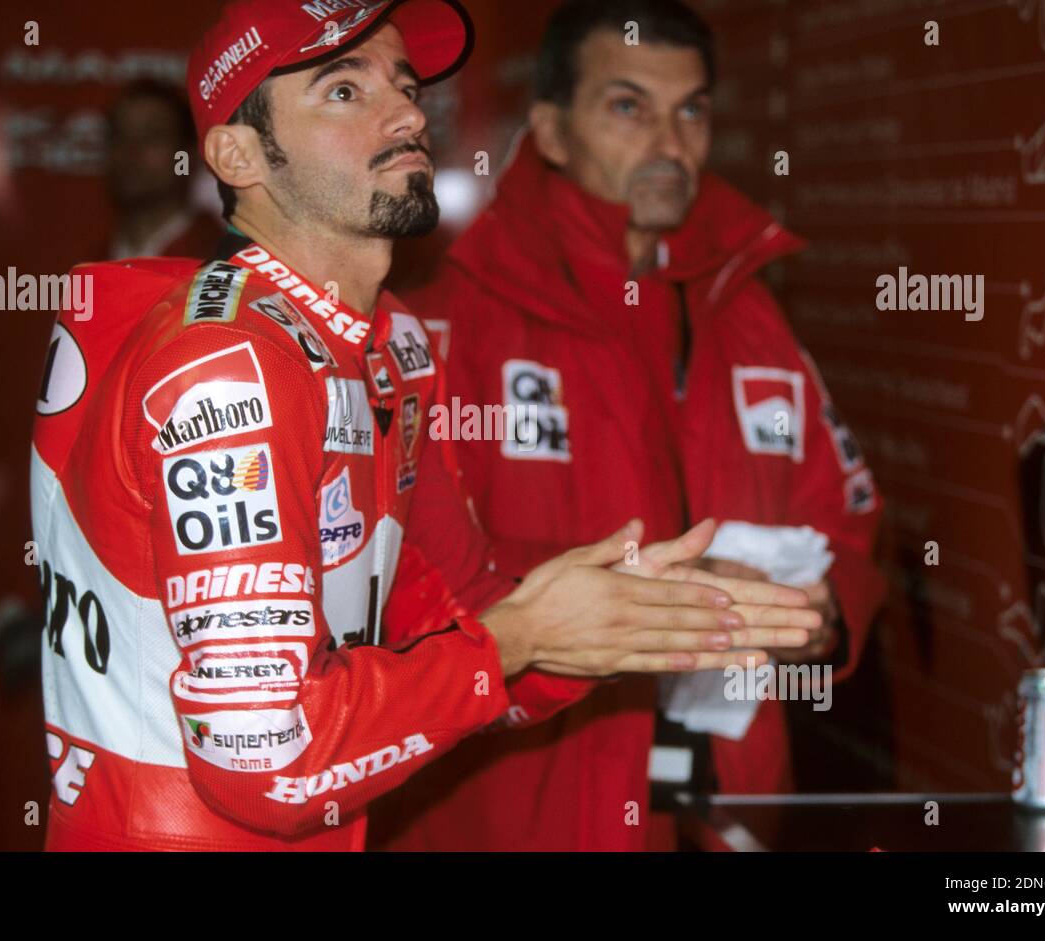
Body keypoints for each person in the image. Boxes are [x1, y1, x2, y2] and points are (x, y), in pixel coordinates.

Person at [29, 0, 819, 852]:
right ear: (238, 153)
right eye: (343, 89)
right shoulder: (228, 365)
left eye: (405, 86)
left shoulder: (386, 345)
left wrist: (605, 621)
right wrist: (517, 638)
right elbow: (262, 759)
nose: (408, 112)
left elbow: (454, 623)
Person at [370, 0, 886, 852]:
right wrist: (638, 604)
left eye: (692, 110)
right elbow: (405, 586)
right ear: (551, 130)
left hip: (732, 804)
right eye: (628, 106)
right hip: (526, 811)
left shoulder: (749, 311)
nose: (669, 141)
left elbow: (849, 524)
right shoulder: (443, 326)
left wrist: (823, 618)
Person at [96, 79, 225, 260]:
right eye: (119, 135)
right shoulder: (90, 261)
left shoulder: (220, 258)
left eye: (153, 135)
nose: (131, 150)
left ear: (187, 157)